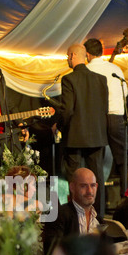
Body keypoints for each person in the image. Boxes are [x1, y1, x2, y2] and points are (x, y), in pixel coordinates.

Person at [51, 43, 108, 218]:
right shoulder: (101, 79)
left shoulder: (69, 79)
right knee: (96, 179)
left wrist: (57, 126)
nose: (67, 59)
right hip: (97, 135)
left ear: (73, 55)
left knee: (74, 179)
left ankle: (75, 218)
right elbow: (104, 107)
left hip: (75, 136)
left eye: (68, 56)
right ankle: (98, 217)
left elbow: (67, 110)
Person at [84, 38, 128, 196]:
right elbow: (125, 92)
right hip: (116, 117)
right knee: (124, 160)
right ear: (101, 52)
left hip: (95, 119)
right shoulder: (115, 69)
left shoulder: (86, 70)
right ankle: (126, 197)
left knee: (95, 161)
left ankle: (97, 201)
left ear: (88, 54)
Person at [43, 167, 102, 255]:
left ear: (97, 187)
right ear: (72, 187)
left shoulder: (98, 219)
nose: (89, 191)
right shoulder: (59, 215)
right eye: (83, 186)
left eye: (93, 185)